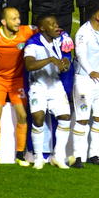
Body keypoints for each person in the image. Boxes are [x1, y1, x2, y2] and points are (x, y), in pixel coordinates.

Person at [0, 7, 35, 167]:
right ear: (3, 22)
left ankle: (20, 154)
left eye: (19, 18)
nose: (18, 22)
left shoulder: (26, 32)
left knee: (22, 115)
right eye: (14, 19)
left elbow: (45, 28)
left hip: (16, 80)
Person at [24, 15, 74, 169]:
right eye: (51, 24)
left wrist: (65, 63)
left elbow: (66, 59)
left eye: (56, 23)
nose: (56, 26)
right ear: (43, 28)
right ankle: (38, 157)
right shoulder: (33, 44)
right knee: (38, 118)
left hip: (55, 84)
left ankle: (58, 156)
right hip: (38, 85)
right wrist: (50, 59)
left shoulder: (61, 41)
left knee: (65, 117)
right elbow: (29, 65)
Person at [70, 0, 99, 168]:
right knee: (82, 119)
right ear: (96, 14)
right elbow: (80, 54)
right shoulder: (82, 33)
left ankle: (94, 154)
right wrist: (90, 70)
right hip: (84, 79)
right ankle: (77, 157)